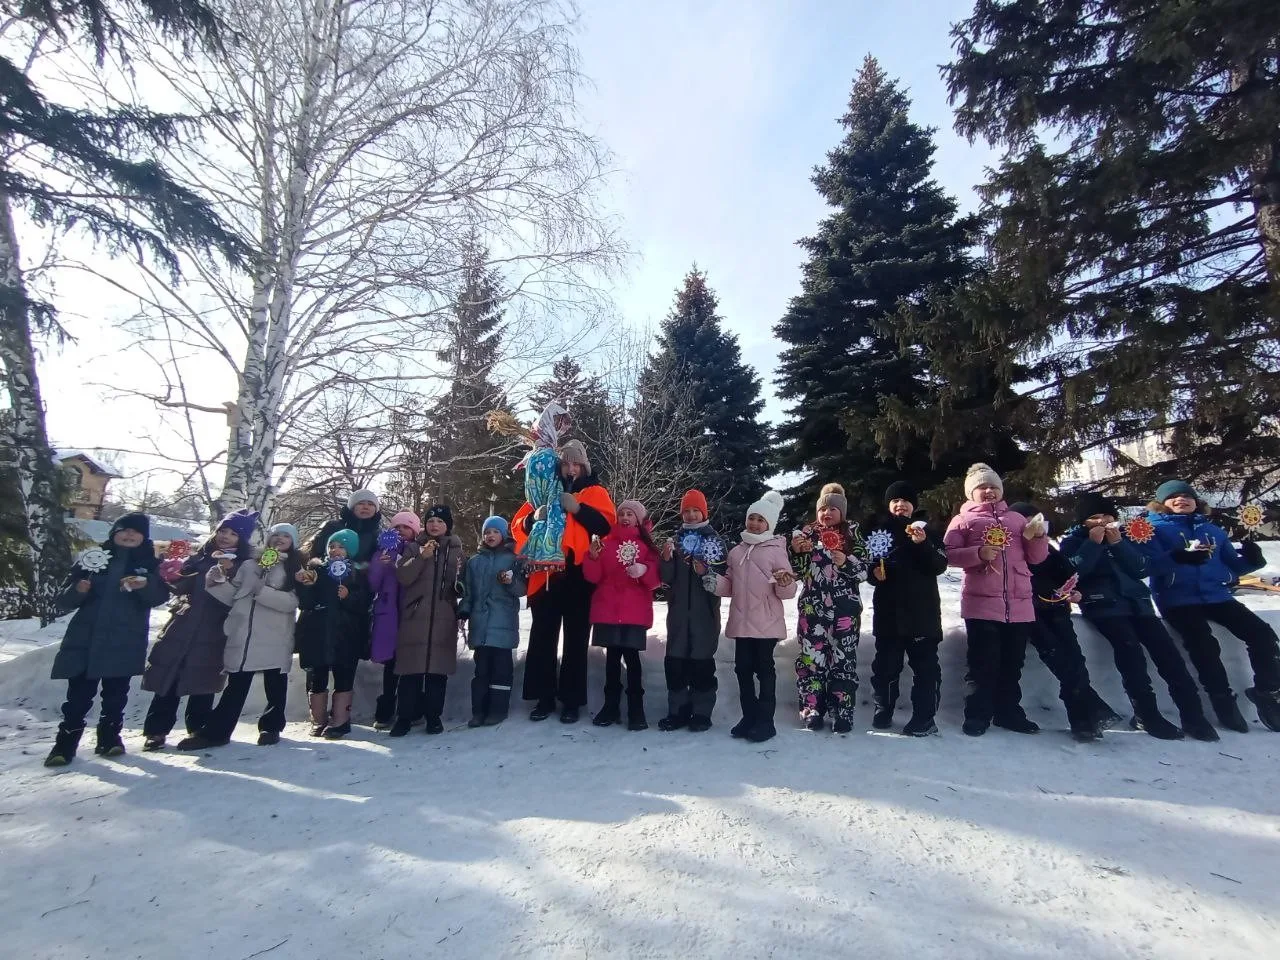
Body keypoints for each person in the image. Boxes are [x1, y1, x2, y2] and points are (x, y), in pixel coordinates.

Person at [1059, 493, 1215, 741]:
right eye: (1095, 517)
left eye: (1107, 516)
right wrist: (1092, 544)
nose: (1102, 521)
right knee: (1131, 654)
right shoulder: (1073, 541)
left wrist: (1119, 544)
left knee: (1168, 655)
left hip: (1139, 604)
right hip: (1103, 605)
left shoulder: (1125, 538)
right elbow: (1072, 571)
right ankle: (1146, 714)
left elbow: (1141, 568)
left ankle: (1193, 715)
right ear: (1083, 522)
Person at [1141, 480, 1280, 732]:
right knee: (1203, 646)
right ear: (1161, 503)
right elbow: (1144, 566)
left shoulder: (1212, 530)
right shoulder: (1152, 529)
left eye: (1186, 496)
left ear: (1197, 502)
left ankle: (1267, 691)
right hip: (1177, 599)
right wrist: (1175, 558)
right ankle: (1222, 699)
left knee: (1263, 635)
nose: (1181, 500)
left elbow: (1233, 567)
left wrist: (1252, 560)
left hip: (1217, 596)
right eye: (1173, 497)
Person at [45, 513, 168, 766]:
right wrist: (77, 591)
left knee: (115, 696)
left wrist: (145, 585)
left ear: (144, 537)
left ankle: (109, 738)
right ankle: (64, 745)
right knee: (77, 697)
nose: (130, 535)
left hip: (124, 640)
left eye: (136, 532)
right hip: (86, 639)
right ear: (114, 533)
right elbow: (64, 600)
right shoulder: (93, 560)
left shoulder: (150, 564)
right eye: (124, 530)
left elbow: (159, 597)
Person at [512, 439, 616, 723]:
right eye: (566, 463)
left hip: (578, 574)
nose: (571, 469)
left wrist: (578, 510)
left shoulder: (595, 492)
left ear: (584, 465)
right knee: (543, 636)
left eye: (576, 463)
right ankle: (543, 698)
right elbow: (518, 525)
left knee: (575, 640)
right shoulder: (545, 490)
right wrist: (532, 519)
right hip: (546, 574)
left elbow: (606, 525)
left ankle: (571, 700)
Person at [943, 463, 1049, 737]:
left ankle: (1009, 712)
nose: (988, 491)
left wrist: (1038, 537)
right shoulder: (962, 521)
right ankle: (977, 714)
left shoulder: (1016, 520)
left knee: (1013, 663)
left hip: (1019, 603)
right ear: (971, 493)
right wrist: (977, 553)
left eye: (993, 487)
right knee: (982, 663)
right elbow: (949, 554)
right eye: (982, 488)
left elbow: (1036, 558)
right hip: (981, 603)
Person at [178, 523, 303, 749]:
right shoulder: (249, 564)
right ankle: (218, 731)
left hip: (274, 636)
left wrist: (262, 591)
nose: (279, 539)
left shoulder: (295, 567)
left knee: (275, 683)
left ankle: (271, 726)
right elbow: (234, 596)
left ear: (293, 541)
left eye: (286, 536)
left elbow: (292, 602)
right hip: (243, 633)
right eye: (275, 535)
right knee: (236, 685)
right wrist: (217, 582)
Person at [141, 509, 257, 751]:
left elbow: (241, 596)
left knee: (203, 680)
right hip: (183, 625)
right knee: (169, 679)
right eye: (223, 531)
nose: (226, 536)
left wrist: (227, 573)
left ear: (242, 540)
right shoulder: (200, 558)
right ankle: (156, 730)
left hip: (215, 630)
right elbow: (182, 587)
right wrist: (171, 575)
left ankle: (199, 727)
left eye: (233, 533)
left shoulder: (244, 565)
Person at [1008, 502, 1122, 742]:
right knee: (1060, 660)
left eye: (1035, 521)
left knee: (1076, 661)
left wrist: (1073, 591)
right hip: (1030, 612)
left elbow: (1068, 572)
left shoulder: (1048, 548)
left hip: (1058, 608)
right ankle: (1087, 717)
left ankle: (1084, 719)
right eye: (1025, 522)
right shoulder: (1011, 550)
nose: (1032, 527)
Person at [863, 481, 947, 736]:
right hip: (889, 612)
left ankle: (925, 717)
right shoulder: (879, 533)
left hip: (923, 612)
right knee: (886, 665)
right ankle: (883, 708)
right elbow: (869, 565)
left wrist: (922, 544)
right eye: (895, 501)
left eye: (905, 501)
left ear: (914, 506)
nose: (900, 505)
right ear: (889, 505)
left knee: (925, 668)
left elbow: (939, 565)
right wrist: (873, 573)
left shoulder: (927, 532)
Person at [712, 491, 797, 743]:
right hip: (741, 622)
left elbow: (788, 590)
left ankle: (765, 721)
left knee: (764, 670)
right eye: (752, 518)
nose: (755, 524)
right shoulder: (737, 552)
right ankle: (748, 717)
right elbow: (730, 586)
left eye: (761, 520)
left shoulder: (775, 550)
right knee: (742, 670)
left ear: (769, 524)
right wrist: (714, 582)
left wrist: (784, 582)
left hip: (767, 623)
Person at [790, 483, 868, 734]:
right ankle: (812, 708)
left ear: (842, 512)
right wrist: (796, 552)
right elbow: (796, 572)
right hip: (813, 609)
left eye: (833, 508)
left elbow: (864, 571)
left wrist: (846, 561)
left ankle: (842, 709)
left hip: (845, 610)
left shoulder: (853, 533)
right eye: (823, 508)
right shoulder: (807, 534)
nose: (827, 513)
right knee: (811, 659)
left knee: (843, 660)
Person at [306, 490, 386, 723]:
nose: (365, 507)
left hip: (353, 607)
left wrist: (361, 573)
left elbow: (374, 573)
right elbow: (314, 555)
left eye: (370, 504)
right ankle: (318, 718)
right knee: (318, 664)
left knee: (345, 660)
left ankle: (340, 719)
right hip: (323, 608)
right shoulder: (332, 527)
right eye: (360, 503)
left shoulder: (377, 534)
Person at [584, 499, 661, 731]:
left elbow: (656, 579)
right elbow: (593, 577)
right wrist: (593, 558)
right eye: (622, 514)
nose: (625, 518)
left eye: (630, 514)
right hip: (608, 609)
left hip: (633, 612)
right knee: (612, 660)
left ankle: (636, 709)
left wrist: (644, 570)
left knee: (632, 660)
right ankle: (611, 705)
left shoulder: (647, 546)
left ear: (639, 519)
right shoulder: (606, 543)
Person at [392, 505, 464, 736]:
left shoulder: (456, 551)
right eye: (431, 520)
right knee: (410, 673)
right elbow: (403, 576)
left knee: (436, 674)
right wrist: (421, 558)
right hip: (416, 617)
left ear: (448, 526)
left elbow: (461, 584)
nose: (435, 525)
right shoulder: (414, 547)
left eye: (440, 522)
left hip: (444, 617)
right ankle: (404, 717)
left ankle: (434, 717)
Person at [657, 489, 725, 732]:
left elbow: (723, 578)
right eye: (687, 511)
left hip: (704, 616)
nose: (692, 515)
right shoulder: (674, 542)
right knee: (674, 665)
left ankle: (701, 713)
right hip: (677, 616)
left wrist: (705, 572)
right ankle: (677, 711)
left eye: (696, 510)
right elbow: (665, 580)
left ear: (704, 512)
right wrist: (665, 560)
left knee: (702, 666)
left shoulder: (714, 541)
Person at [295, 528, 370, 739]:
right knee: (317, 675)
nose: (336, 550)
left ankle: (341, 720)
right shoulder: (317, 571)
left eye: (341, 547)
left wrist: (348, 596)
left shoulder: (357, 573)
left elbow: (364, 603)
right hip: (318, 632)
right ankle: (318, 719)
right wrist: (307, 587)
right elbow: (306, 603)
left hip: (346, 633)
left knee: (343, 675)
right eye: (332, 546)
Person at [459, 516, 527, 727]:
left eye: (495, 532)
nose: (490, 536)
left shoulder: (513, 560)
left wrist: (510, 582)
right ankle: (478, 712)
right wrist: (464, 612)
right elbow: (468, 592)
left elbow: (522, 590)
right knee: (481, 672)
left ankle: (498, 711)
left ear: (503, 534)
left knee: (501, 672)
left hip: (504, 624)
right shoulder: (474, 562)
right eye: (487, 532)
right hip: (480, 626)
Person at [369, 511, 420, 729]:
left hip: (410, 612)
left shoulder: (417, 550)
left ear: (414, 531)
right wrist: (380, 563)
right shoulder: (383, 551)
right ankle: (386, 707)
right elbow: (373, 582)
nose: (400, 532)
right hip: (389, 613)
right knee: (390, 664)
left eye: (406, 528)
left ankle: (410, 709)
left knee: (408, 662)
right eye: (397, 528)